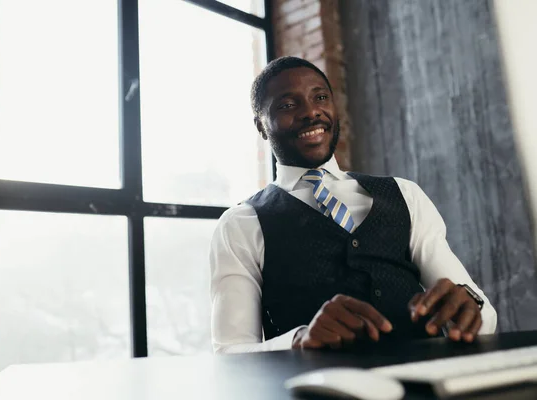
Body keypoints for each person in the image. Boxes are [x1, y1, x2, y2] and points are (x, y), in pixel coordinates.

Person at [209, 56, 497, 353]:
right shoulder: (241, 224)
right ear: (261, 126)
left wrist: (467, 308)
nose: (311, 112)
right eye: (287, 105)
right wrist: (299, 339)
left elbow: (482, 314)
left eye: (320, 97)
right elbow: (230, 351)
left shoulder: (404, 194)